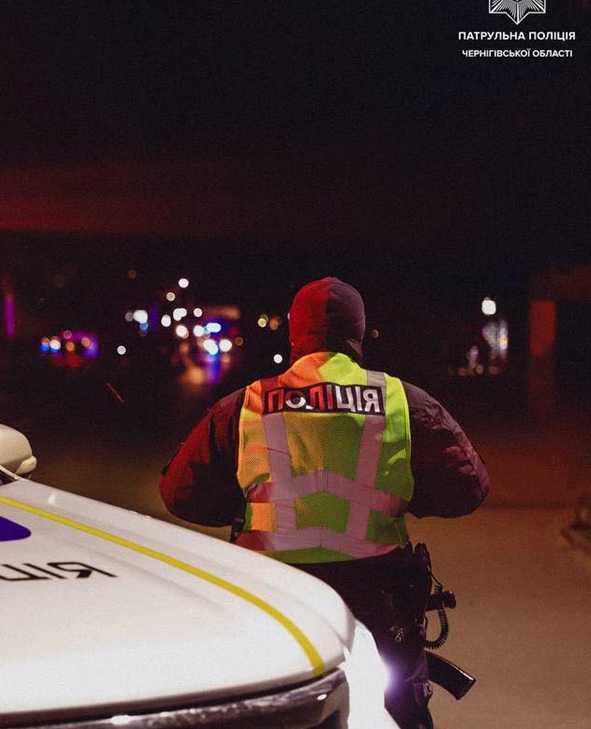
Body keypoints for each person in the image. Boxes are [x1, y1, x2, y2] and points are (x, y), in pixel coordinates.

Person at [160, 277, 489, 729]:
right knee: (398, 714)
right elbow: (467, 488)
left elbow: (181, 494)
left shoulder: (247, 404)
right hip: (380, 605)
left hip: (272, 599)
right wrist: (402, 493)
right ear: (359, 332)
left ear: (295, 333)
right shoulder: (403, 401)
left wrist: (247, 505)